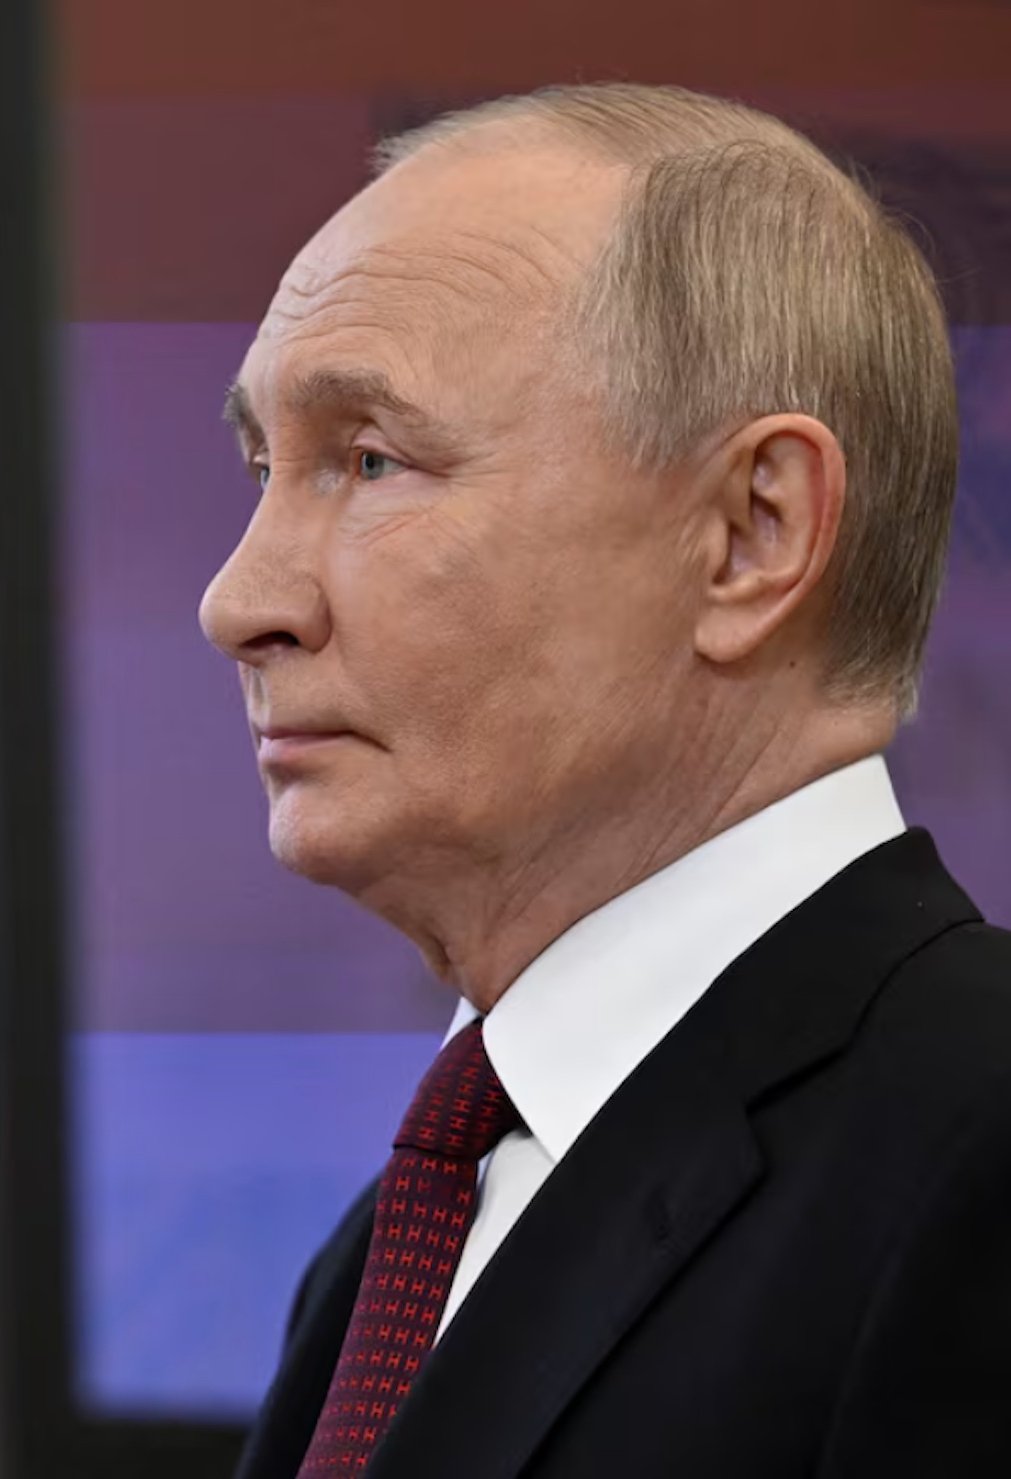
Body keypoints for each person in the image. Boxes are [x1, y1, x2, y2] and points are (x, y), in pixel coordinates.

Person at [206, 83, 1010, 1479]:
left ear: (753, 534)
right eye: (264, 466)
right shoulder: (392, 1248)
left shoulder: (982, 1151)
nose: (239, 599)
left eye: (372, 459)